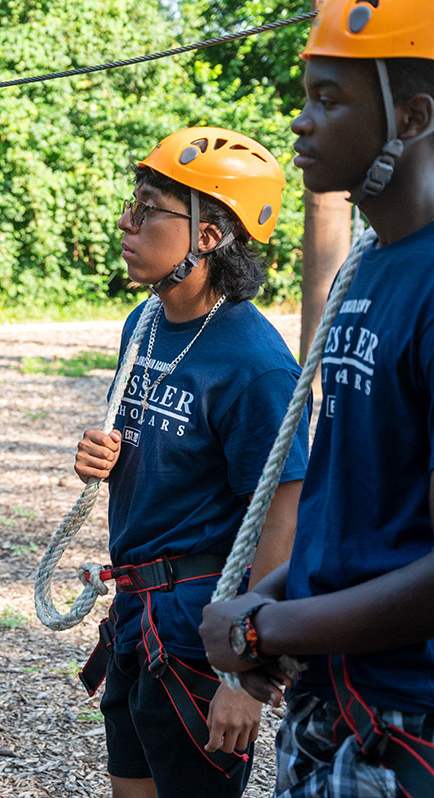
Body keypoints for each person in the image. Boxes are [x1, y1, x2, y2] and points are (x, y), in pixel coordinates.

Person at [200, 3, 434, 796]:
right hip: (333, 698)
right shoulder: (365, 273)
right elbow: (361, 505)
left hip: (409, 722)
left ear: (413, 117)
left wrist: (267, 623)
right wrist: (265, 596)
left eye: (328, 100)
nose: (300, 124)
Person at [72, 126, 309, 798]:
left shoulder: (255, 365)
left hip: (201, 631)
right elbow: (159, 451)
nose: (127, 222)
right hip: (137, 615)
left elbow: (282, 515)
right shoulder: (142, 325)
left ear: (209, 236)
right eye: (131, 203)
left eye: (149, 209)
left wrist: (247, 669)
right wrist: (110, 457)